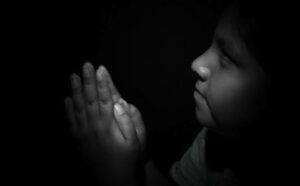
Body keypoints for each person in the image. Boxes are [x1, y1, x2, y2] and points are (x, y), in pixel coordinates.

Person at [64, 0, 283, 185]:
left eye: (227, 57)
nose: (196, 64)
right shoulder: (214, 141)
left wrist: (116, 177)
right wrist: (138, 156)